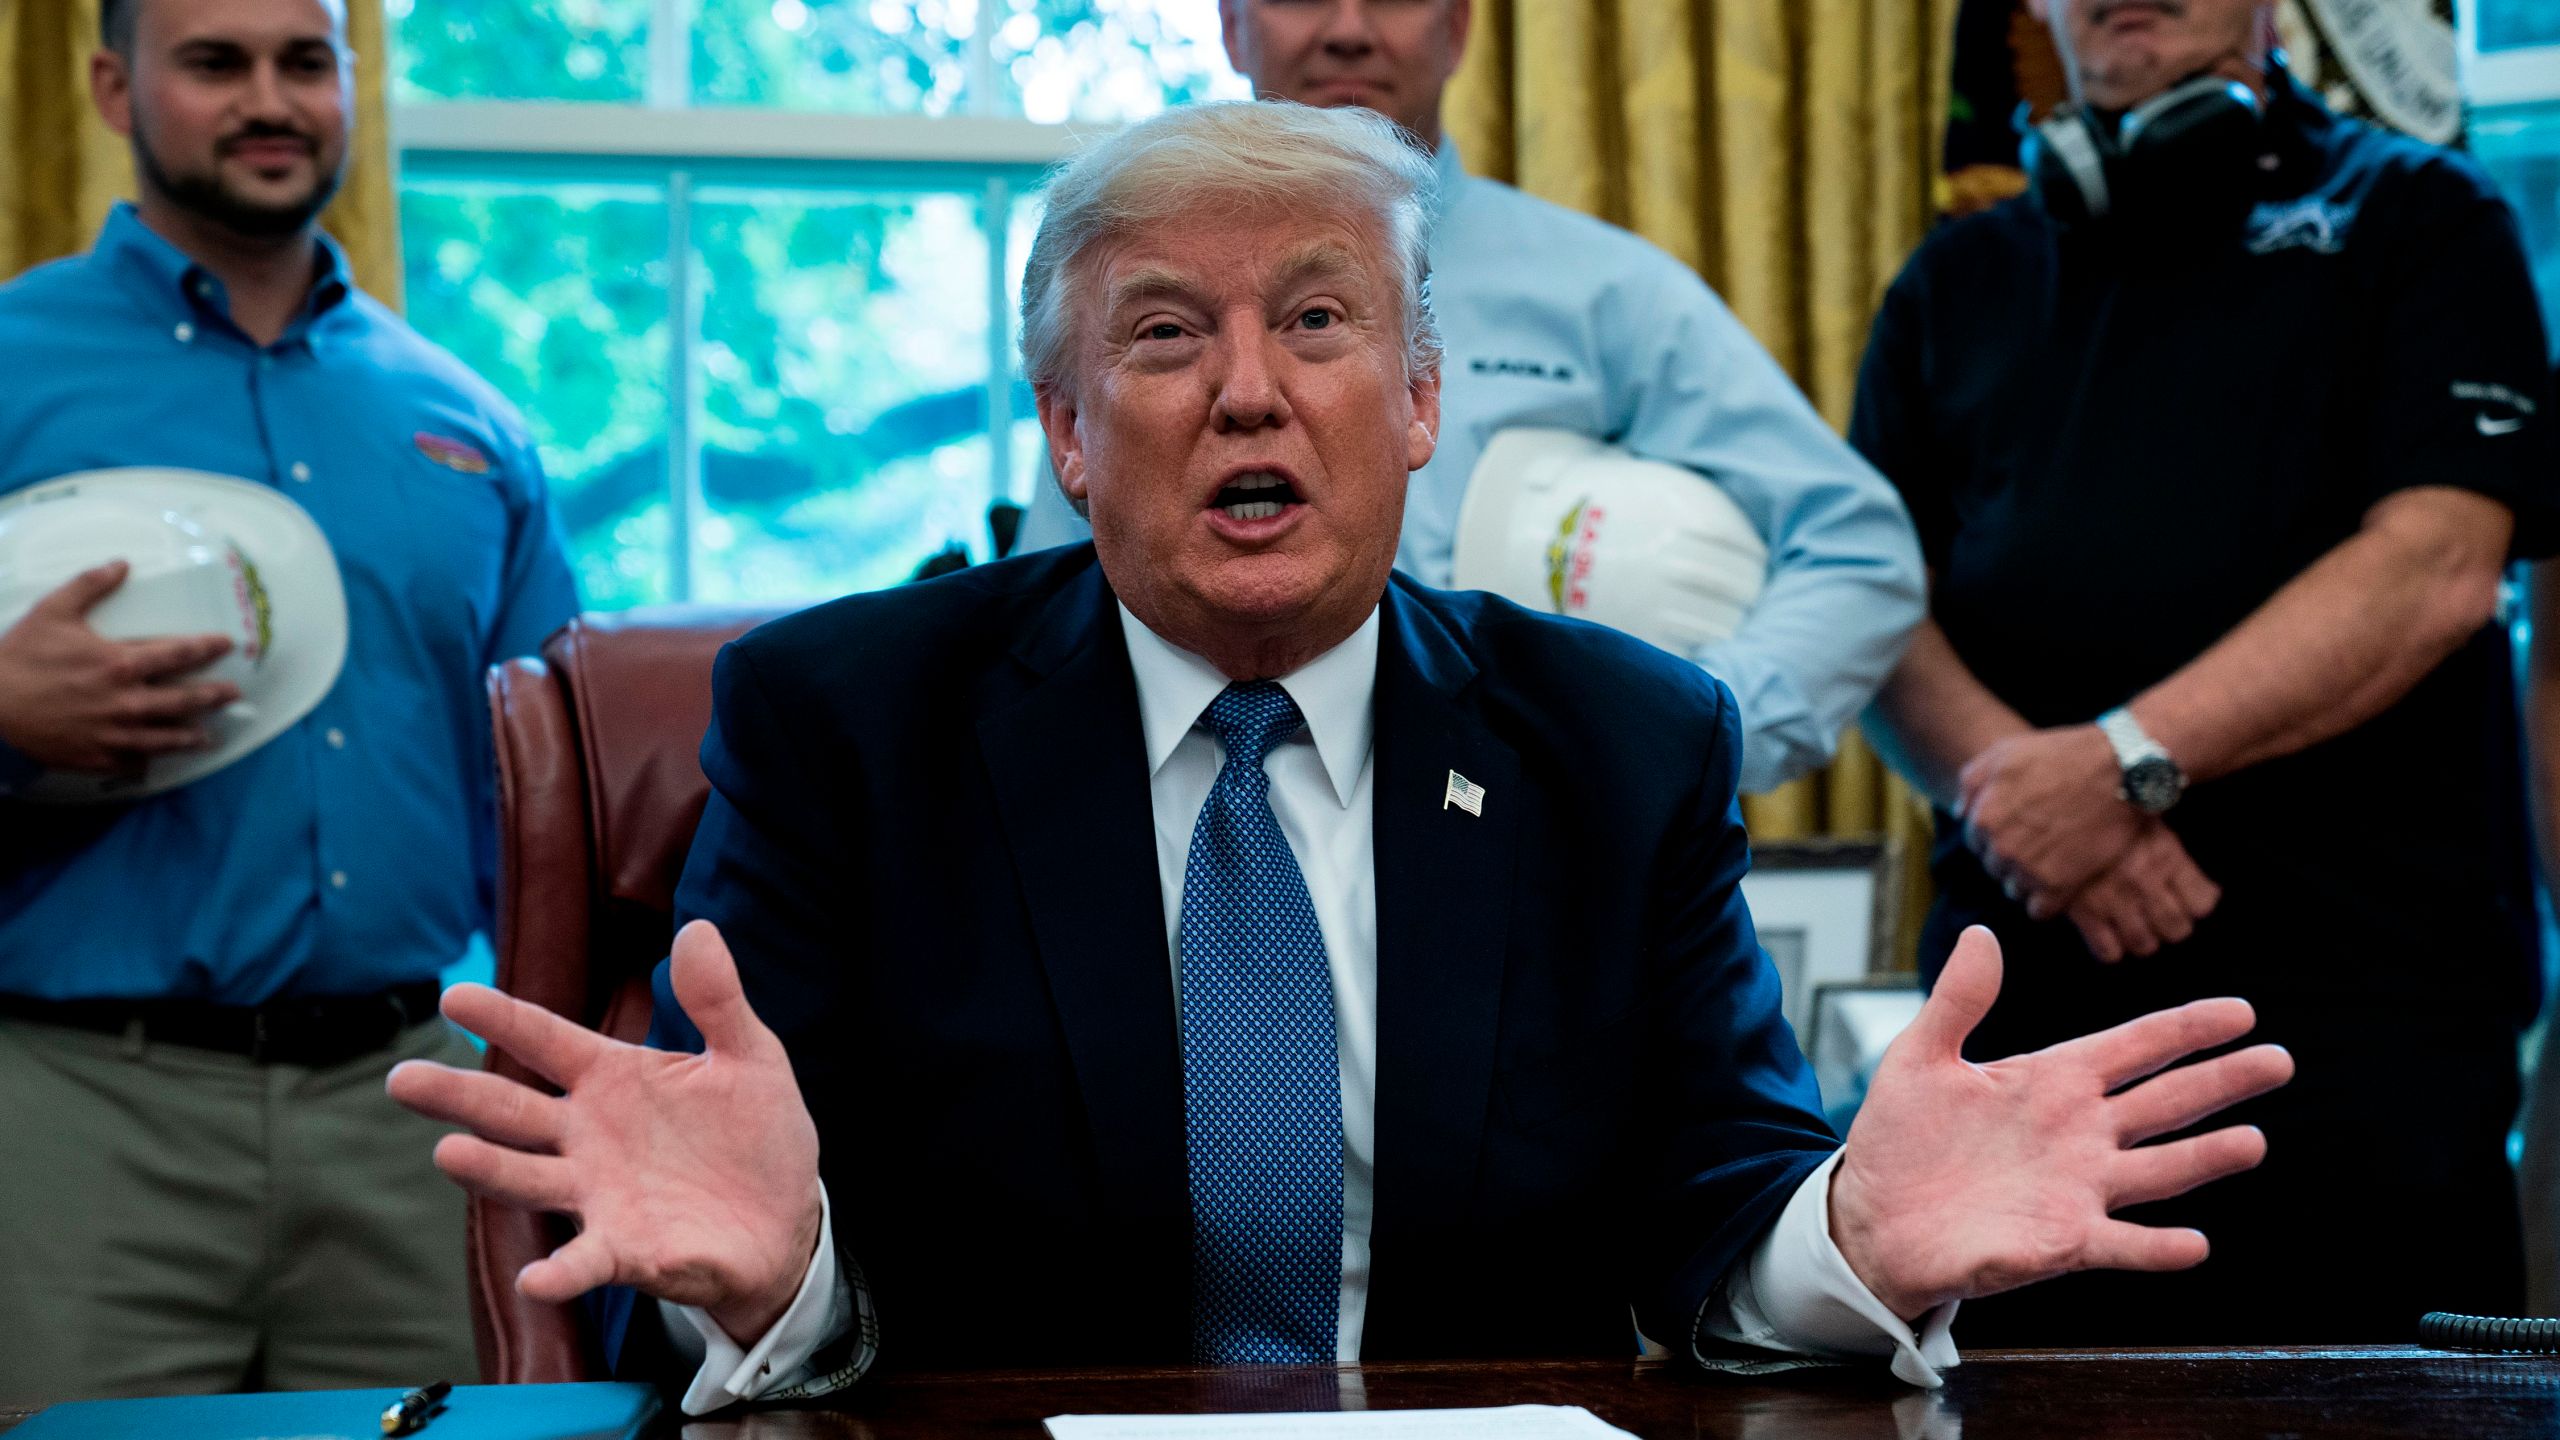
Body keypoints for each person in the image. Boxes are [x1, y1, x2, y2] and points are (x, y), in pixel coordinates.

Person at [389, 100, 2292, 1416]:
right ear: (1065, 429)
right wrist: (776, 1267)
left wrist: (1854, 1245)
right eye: (1162, 336)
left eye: (1317, 319)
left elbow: (1724, 1200)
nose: (1248, 387)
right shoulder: (842, 724)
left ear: (1422, 405)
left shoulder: (1621, 745)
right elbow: (769, 1242)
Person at [1855, 0, 2558, 1345]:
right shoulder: (1955, 280)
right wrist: (2042, 813)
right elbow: (1869, 604)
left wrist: (2120, 761)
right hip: (2030, 1054)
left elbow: (2438, 562)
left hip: (2362, 1053)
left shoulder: (2426, 218)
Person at [0, 0, 578, 1402]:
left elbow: (565, 793)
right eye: (215, 61)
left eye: (304, 60)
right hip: (82, 1114)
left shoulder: (470, 423)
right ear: (111, 88)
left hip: (409, 1113)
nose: (270, 97)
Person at [1012, 0, 1925, 795]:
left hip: (1534, 866)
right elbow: (1043, 637)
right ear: (1231, 23)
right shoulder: (1128, 316)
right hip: (1203, 837)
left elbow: (1853, 545)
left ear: (1457, 28)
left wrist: (1675, 741)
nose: (1347, 30)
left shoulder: (1602, 290)